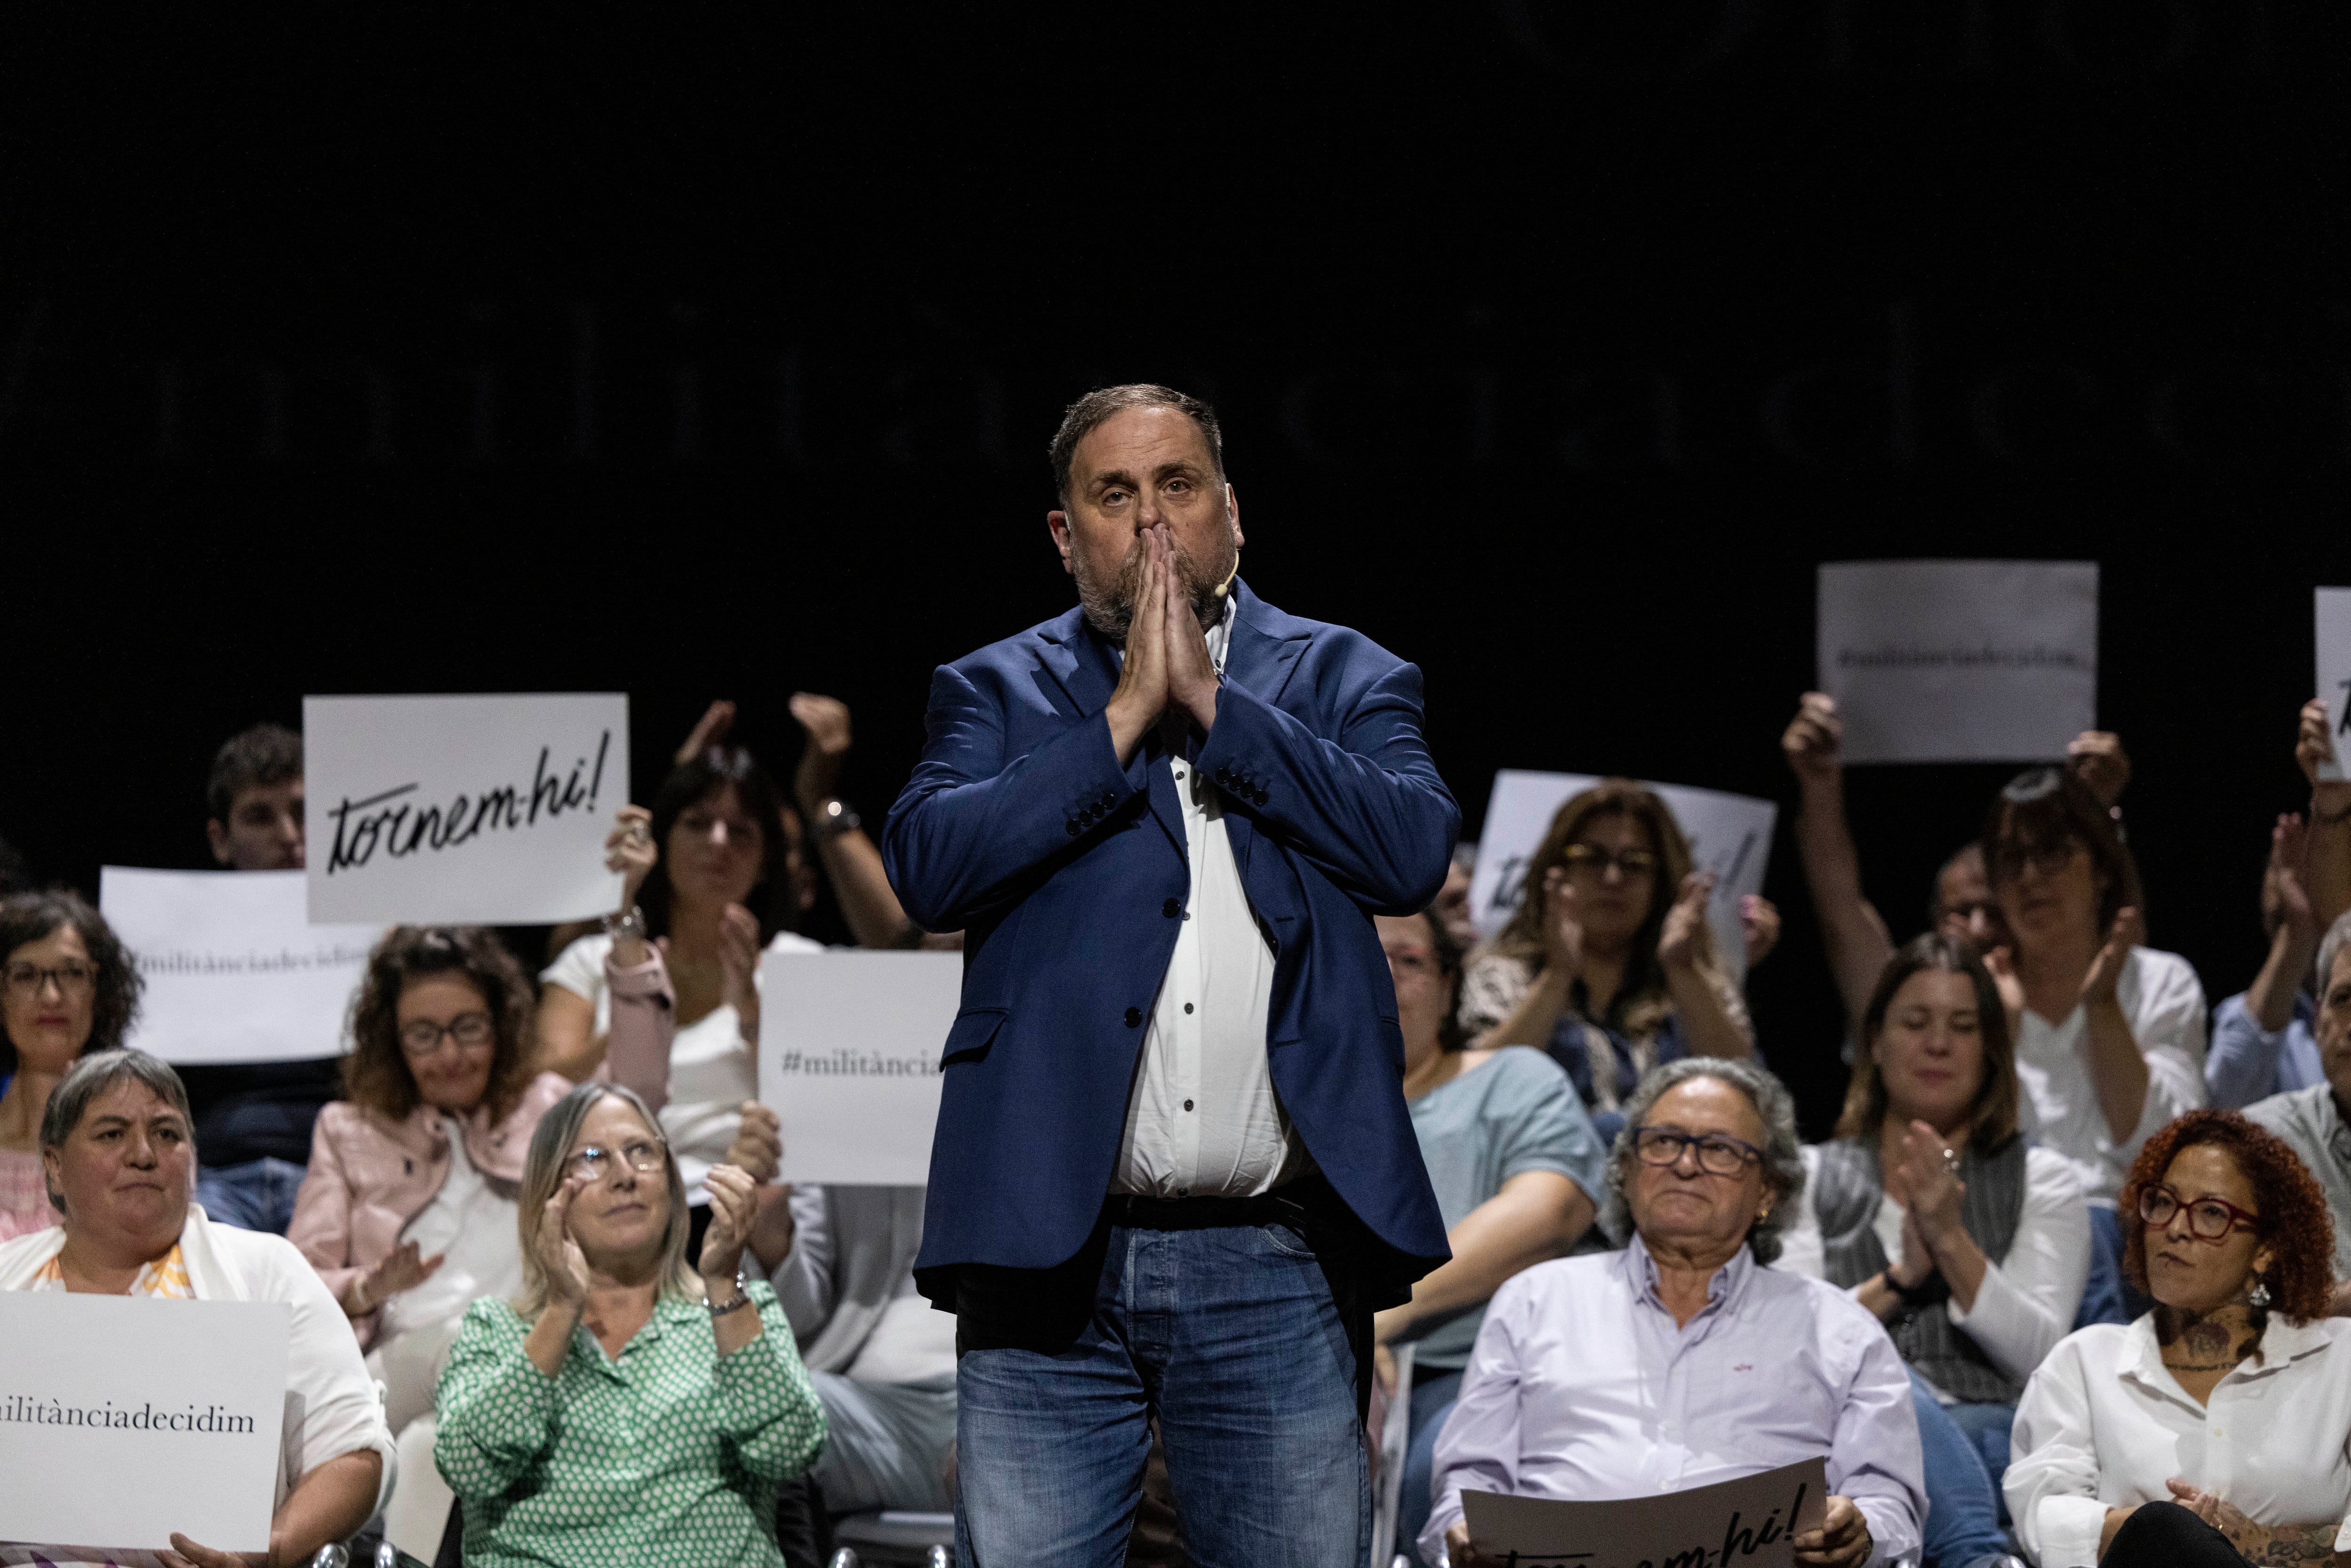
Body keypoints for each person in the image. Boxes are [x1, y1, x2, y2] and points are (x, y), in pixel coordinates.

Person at [882, 382, 1458, 1566]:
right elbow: (930, 870)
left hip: (1276, 1253)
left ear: (1232, 515)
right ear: (1065, 534)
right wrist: (1127, 714)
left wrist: (1211, 703)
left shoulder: (1346, 676)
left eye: (1177, 485)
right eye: (1115, 493)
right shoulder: (993, 689)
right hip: (1049, 1249)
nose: (1151, 522)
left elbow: (1410, 850)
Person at [1423, 1057, 1925, 1568]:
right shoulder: (1534, 1300)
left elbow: (1889, 1503)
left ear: (1767, 1190)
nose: (1685, 1165)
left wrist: (1859, 1531)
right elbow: (1469, 1479)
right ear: (1625, 1169)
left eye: (1719, 1149)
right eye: (1662, 1141)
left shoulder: (1839, 1327)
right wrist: (1461, 1532)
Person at [0, 1050, 393, 1567]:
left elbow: (354, 1452)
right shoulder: (8, 1282)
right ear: (54, 1163)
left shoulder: (265, 1271)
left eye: (167, 1134)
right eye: (111, 1133)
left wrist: (269, 1547)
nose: (143, 1153)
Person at [1776, 934, 2087, 1556]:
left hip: (1989, 1426)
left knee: (1891, 1400)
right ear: (1874, 1041)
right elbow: (1792, 1344)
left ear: (1992, 1049)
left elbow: (2040, 1355)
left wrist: (1950, 1239)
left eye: (1964, 1025)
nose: (1938, 1043)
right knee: (1880, 1388)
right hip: (1847, 1445)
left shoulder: (2046, 1178)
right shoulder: (1811, 1174)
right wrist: (1899, 1279)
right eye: (1915, 1022)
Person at [433, 1081, 826, 1567]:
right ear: (549, 1193)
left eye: (641, 1151)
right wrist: (561, 1309)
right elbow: (469, 1467)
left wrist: (723, 1282)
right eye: (593, 1157)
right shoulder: (496, 1328)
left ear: (672, 1181)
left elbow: (790, 1450)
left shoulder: (741, 1309)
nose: (624, 1175)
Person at [2005, 1110, 2349, 1568]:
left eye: (2211, 1212)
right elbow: (2045, 1519)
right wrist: (2178, 1532)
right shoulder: (2084, 1361)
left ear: (2265, 1248)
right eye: (2162, 1202)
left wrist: (2264, 1542)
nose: (2175, 1227)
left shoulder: (2338, 1359)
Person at [1376, 905, 1607, 1558]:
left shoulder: (1512, 1077)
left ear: (1450, 986)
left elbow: (1549, 1210)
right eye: (1364, 953)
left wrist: (1379, 1316)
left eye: (1411, 959)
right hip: (1311, 1360)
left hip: (1482, 1366)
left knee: (1451, 1475)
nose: (1385, 972)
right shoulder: (1285, 1102)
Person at [539, 752, 826, 1253]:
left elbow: (820, 1114)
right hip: (606, 1199)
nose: (718, 843)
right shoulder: (596, 961)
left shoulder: (801, 964)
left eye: (741, 832)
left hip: (742, 1209)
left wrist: (752, 1015)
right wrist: (637, 1017)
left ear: (766, 861)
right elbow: (541, 1093)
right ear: (662, 842)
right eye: (697, 824)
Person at [1781, 692, 2129, 1035]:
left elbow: (2111, 923)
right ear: (1934, 924)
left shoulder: (2090, 998)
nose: (1978, 931)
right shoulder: (1903, 1009)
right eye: (1959, 913)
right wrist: (1819, 788)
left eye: (1995, 913)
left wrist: (2093, 814)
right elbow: (1840, 912)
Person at [1455, 779, 1753, 1136]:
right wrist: (1557, 977)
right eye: (1591, 858)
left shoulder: (1698, 978)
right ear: (1555, 871)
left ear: (1661, 883)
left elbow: (1746, 1095)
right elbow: (1473, 1093)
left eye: (1635, 864)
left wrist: (1682, 970)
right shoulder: (1501, 974)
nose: (1613, 878)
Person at [1982, 767, 2207, 1230]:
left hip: (2126, 1239)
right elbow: (1954, 1155)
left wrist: (2102, 1007)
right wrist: (1996, 1037)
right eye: (2010, 859)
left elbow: (2169, 1154)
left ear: (2102, 868)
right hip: (2005, 1236)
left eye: (2051, 854)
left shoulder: (2162, 982)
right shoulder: (1978, 994)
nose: (2028, 877)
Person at [181, 722, 342, 1236]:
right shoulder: (175, 944)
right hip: (213, 1174)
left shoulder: (376, 936)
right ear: (219, 839)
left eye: (302, 812)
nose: (290, 836)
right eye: (259, 817)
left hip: (343, 1170)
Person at [766, 1183, 956, 1518]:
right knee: (759, 1403)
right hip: (861, 1410)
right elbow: (793, 1317)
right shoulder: (833, 1135)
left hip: (995, 1393)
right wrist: (768, 1236)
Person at [2216, 706, 2351, 1111]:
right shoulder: (2244, 1014)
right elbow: (2226, 1104)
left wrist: (2334, 809)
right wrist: (2298, 936)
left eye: (2323, 861)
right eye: (2342, 1000)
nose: (2304, 881)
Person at [0, 891, 142, 1241]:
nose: (51, 995)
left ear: (101, 990)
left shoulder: (144, 1124)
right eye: (25, 975)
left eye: (72, 973)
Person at [2245, 911, 2351, 1313]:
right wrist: (2336, 1303)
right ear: (2319, 1020)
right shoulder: (2261, 1145)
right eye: (2344, 999)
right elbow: (2239, 1301)